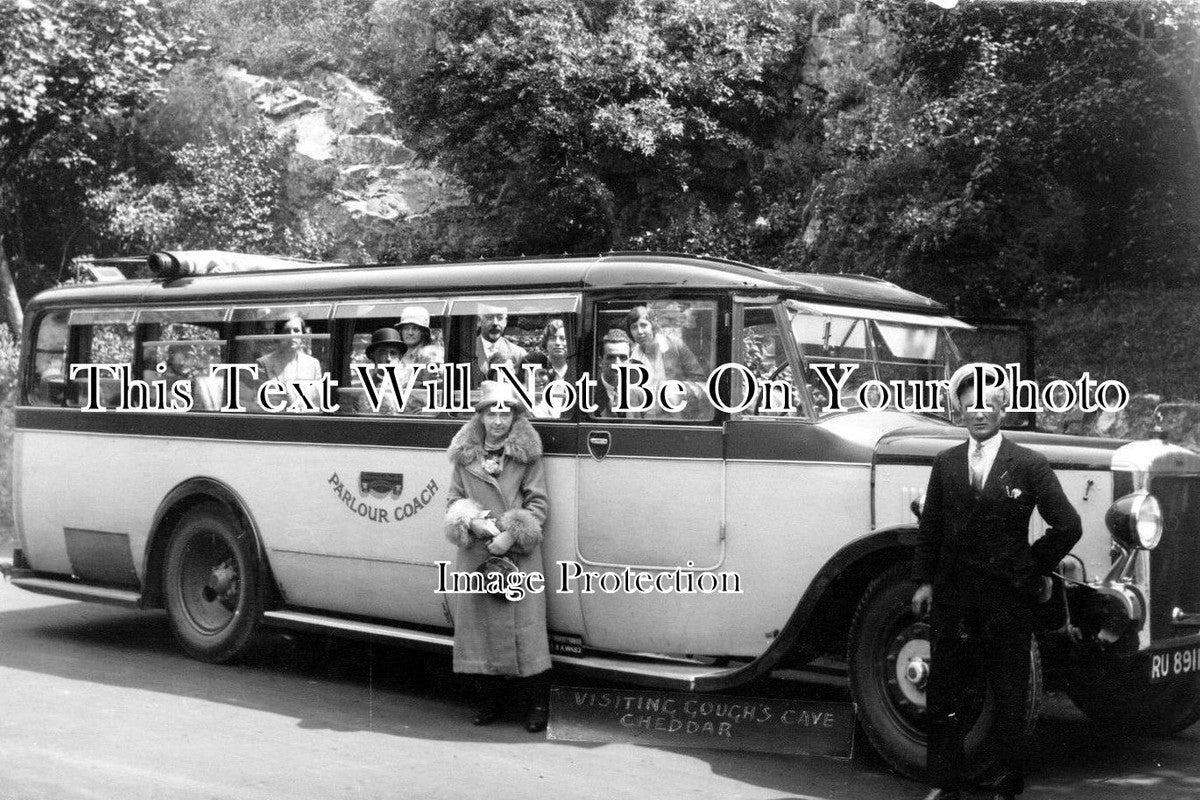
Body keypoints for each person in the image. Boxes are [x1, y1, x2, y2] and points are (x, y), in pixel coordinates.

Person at [911, 363, 1082, 800]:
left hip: (1006, 597)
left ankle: (1007, 781)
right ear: (959, 411)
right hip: (952, 595)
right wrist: (924, 581)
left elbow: (1067, 525)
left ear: (1002, 408)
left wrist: (1029, 565)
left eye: (987, 405)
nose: (979, 413)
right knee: (945, 687)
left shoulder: (1028, 464)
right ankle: (943, 782)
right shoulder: (946, 463)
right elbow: (930, 527)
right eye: (969, 406)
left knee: (1009, 692)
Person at [444, 380, 551, 733]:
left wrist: (510, 535)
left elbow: (538, 504)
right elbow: (452, 501)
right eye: (492, 412)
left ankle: (535, 706)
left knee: (525, 630)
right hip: (478, 554)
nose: (499, 420)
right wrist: (470, 521)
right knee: (483, 632)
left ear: (515, 418)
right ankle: (490, 702)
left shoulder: (527, 457)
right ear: (481, 417)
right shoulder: (465, 458)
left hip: (515, 556)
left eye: (506, 413)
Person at [624, 304, 708, 419]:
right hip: (645, 425)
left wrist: (678, 391)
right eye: (634, 327)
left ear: (653, 325)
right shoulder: (629, 357)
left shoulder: (676, 346)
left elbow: (702, 384)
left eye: (644, 325)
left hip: (677, 421)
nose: (639, 331)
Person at [256, 314, 324, 411]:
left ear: (302, 336)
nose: (292, 335)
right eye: (286, 331)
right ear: (278, 335)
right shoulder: (263, 363)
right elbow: (260, 403)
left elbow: (318, 401)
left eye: (296, 331)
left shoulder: (313, 364)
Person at [352, 327, 405, 414]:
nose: (388, 358)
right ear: (373, 355)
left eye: (393, 353)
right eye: (382, 352)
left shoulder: (408, 384)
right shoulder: (361, 386)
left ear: (400, 357)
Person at [473, 305, 526, 386]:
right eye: (489, 318)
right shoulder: (468, 351)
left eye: (500, 318)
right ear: (479, 321)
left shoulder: (519, 354)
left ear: (505, 321)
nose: (495, 323)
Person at [593, 329, 633, 418]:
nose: (617, 363)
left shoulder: (640, 395)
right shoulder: (587, 395)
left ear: (630, 362)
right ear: (600, 361)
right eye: (611, 357)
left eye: (623, 358)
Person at [540, 318, 572, 383]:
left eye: (563, 338)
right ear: (546, 342)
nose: (557, 343)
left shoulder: (576, 370)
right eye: (552, 338)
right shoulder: (538, 368)